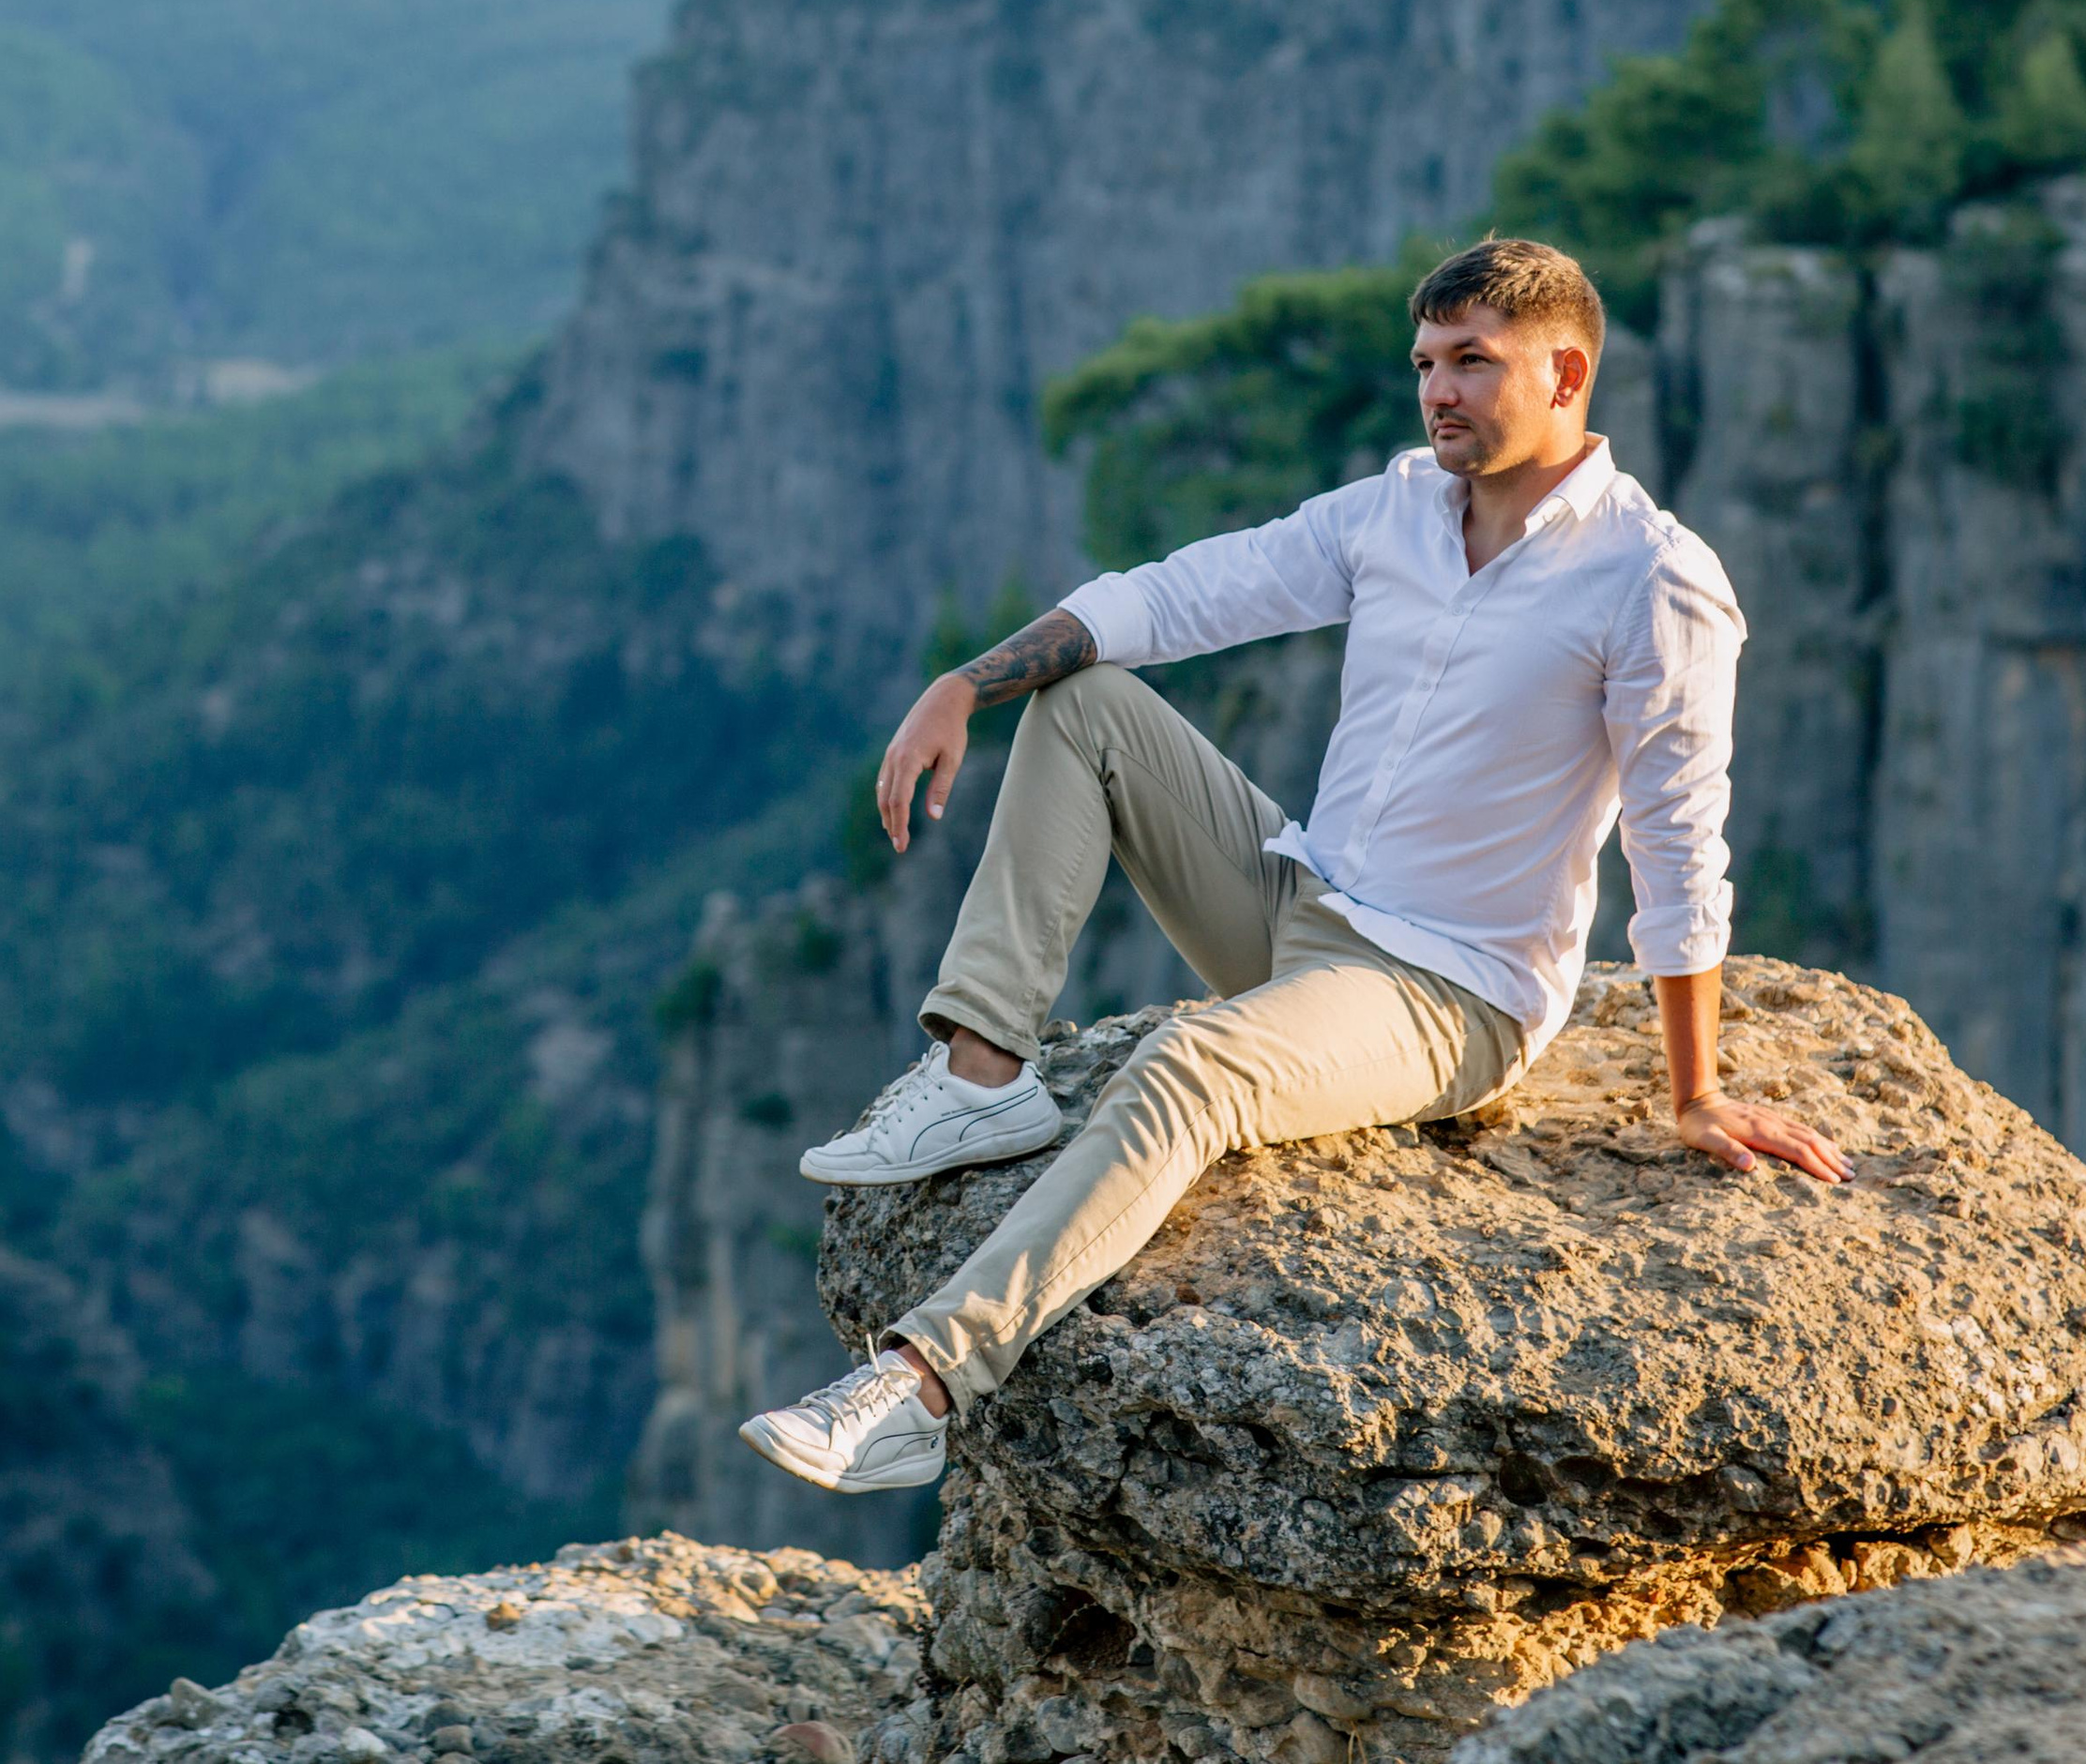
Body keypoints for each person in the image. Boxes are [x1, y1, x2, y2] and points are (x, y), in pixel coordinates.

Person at [737, 236, 1851, 1497]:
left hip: (1451, 991)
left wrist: (1696, 1091)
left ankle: (922, 1384)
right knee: (1084, 702)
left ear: (1566, 372)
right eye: (1427, 362)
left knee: (1192, 1066)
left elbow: (1678, 833)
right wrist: (962, 682)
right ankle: (983, 1069)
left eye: (1474, 364)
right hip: (1304, 902)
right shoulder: (1395, 512)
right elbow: (1189, 593)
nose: (1439, 389)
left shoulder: (1654, 579)